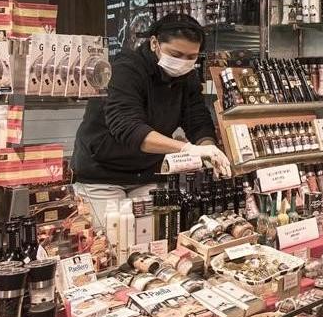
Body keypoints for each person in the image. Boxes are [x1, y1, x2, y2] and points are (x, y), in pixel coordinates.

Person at [72, 14, 230, 227]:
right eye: (176, 54)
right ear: (155, 42)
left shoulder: (188, 78)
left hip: (147, 173)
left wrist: (209, 149)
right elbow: (128, 128)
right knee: (110, 244)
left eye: (191, 57)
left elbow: (198, 120)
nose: (183, 62)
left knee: (154, 238)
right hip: (101, 174)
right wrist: (187, 149)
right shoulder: (125, 68)